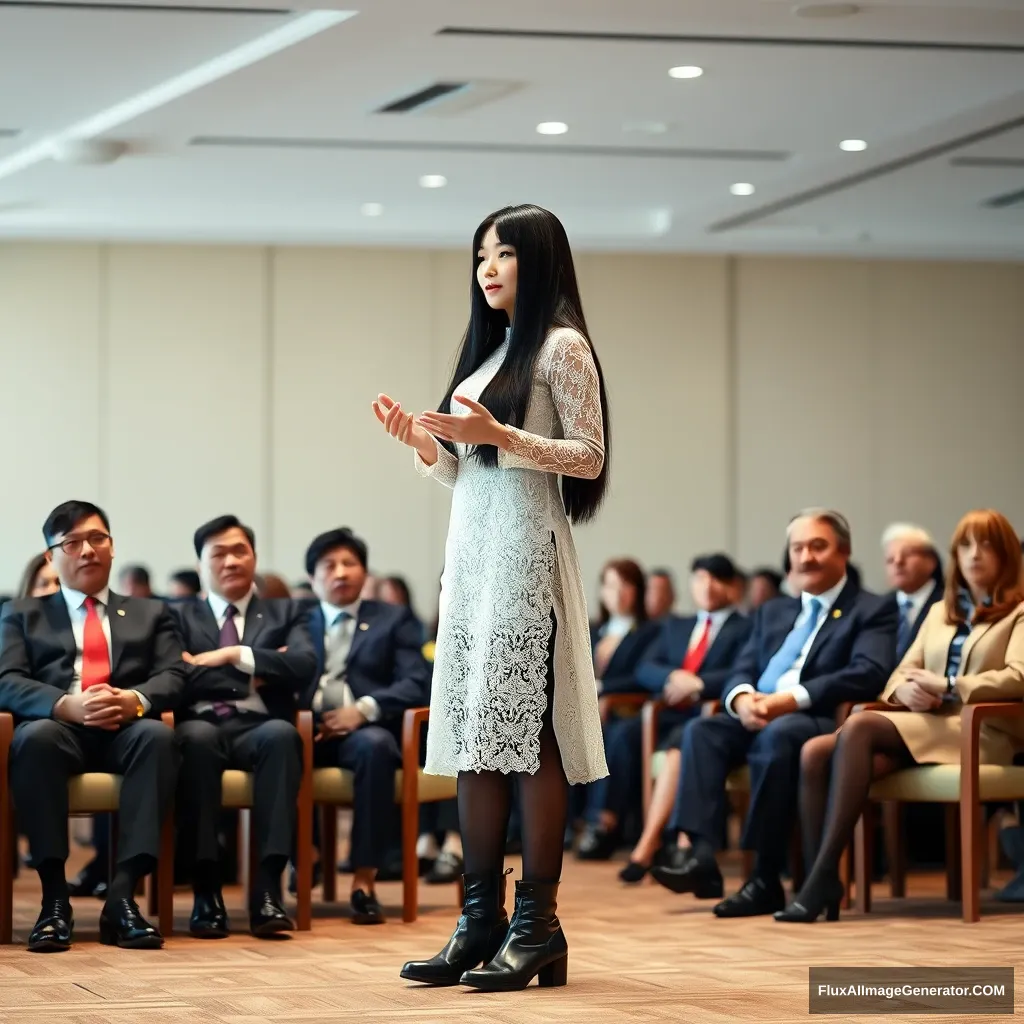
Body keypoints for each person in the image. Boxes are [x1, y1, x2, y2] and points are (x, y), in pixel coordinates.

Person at [375, 204, 610, 990]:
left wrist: (504, 437)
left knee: (530, 739)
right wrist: (425, 444)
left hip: (528, 565)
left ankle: (536, 925)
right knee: (479, 736)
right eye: (481, 253)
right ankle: (477, 922)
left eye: (504, 252)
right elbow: (465, 473)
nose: (488, 266)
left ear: (537, 261)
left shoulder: (562, 346)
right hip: (471, 568)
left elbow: (588, 456)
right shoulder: (492, 351)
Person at [778, 509, 1024, 922]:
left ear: (1006, 554)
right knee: (814, 753)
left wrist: (948, 687)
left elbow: (1019, 676)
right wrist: (903, 690)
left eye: (986, 544)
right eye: (965, 545)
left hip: (980, 730)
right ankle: (822, 879)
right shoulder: (940, 613)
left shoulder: (1019, 613)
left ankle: (821, 880)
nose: (974, 554)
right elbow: (898, 674)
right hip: (926, 727)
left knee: (858, 724)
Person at [650, 509, 897, 917]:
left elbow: (867, 673)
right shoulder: (775, 611)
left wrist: (790, 699)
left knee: (777, 738)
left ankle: (764, 876)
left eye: (818, 546)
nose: (806, 557)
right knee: (702, 731)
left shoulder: (871, 608)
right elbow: (742, 668)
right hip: (757, 711)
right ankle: (703, 856)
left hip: (814, 717)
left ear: (844, 551)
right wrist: (743, 698)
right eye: (798, 547)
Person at [0, 501, 186, 952]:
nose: (87, 550)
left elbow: (175, 675)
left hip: (126, 728)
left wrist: (134, 700)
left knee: (158, 735)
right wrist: (63, 705)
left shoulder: (151, 612)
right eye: (72, 542)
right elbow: (6, 680)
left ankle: (121, 898)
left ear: (112, 546)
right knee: (34, 737)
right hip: (60, 727)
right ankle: (54, 901)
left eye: (97, 539)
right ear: (50, 557)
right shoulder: (22, 613)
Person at [171, 515, 317, 938]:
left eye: (240, 551)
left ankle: (268, 891)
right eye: (218, 553)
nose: (231, 561)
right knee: (194, 740)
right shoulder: (177, 616)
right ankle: (206, 892)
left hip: (261, 724)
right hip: (201, 723)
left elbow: (305, 666)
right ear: (200, 565)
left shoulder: (288, 610)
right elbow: (174, 676)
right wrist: (259, 667)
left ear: (253, 557)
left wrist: (229, 654)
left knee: (282, 735)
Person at [302, 527, 429, 924]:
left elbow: (417, 680)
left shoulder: (393, 619)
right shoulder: (295, 621)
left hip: (363, 732)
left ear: (364, 573)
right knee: (276, 742)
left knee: (376, 747)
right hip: (307, 728)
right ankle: (306, 854)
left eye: (350, 564)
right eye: (329, 565)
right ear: (312, 578)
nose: (340, 572)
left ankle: (363, 878)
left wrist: (365, 708)